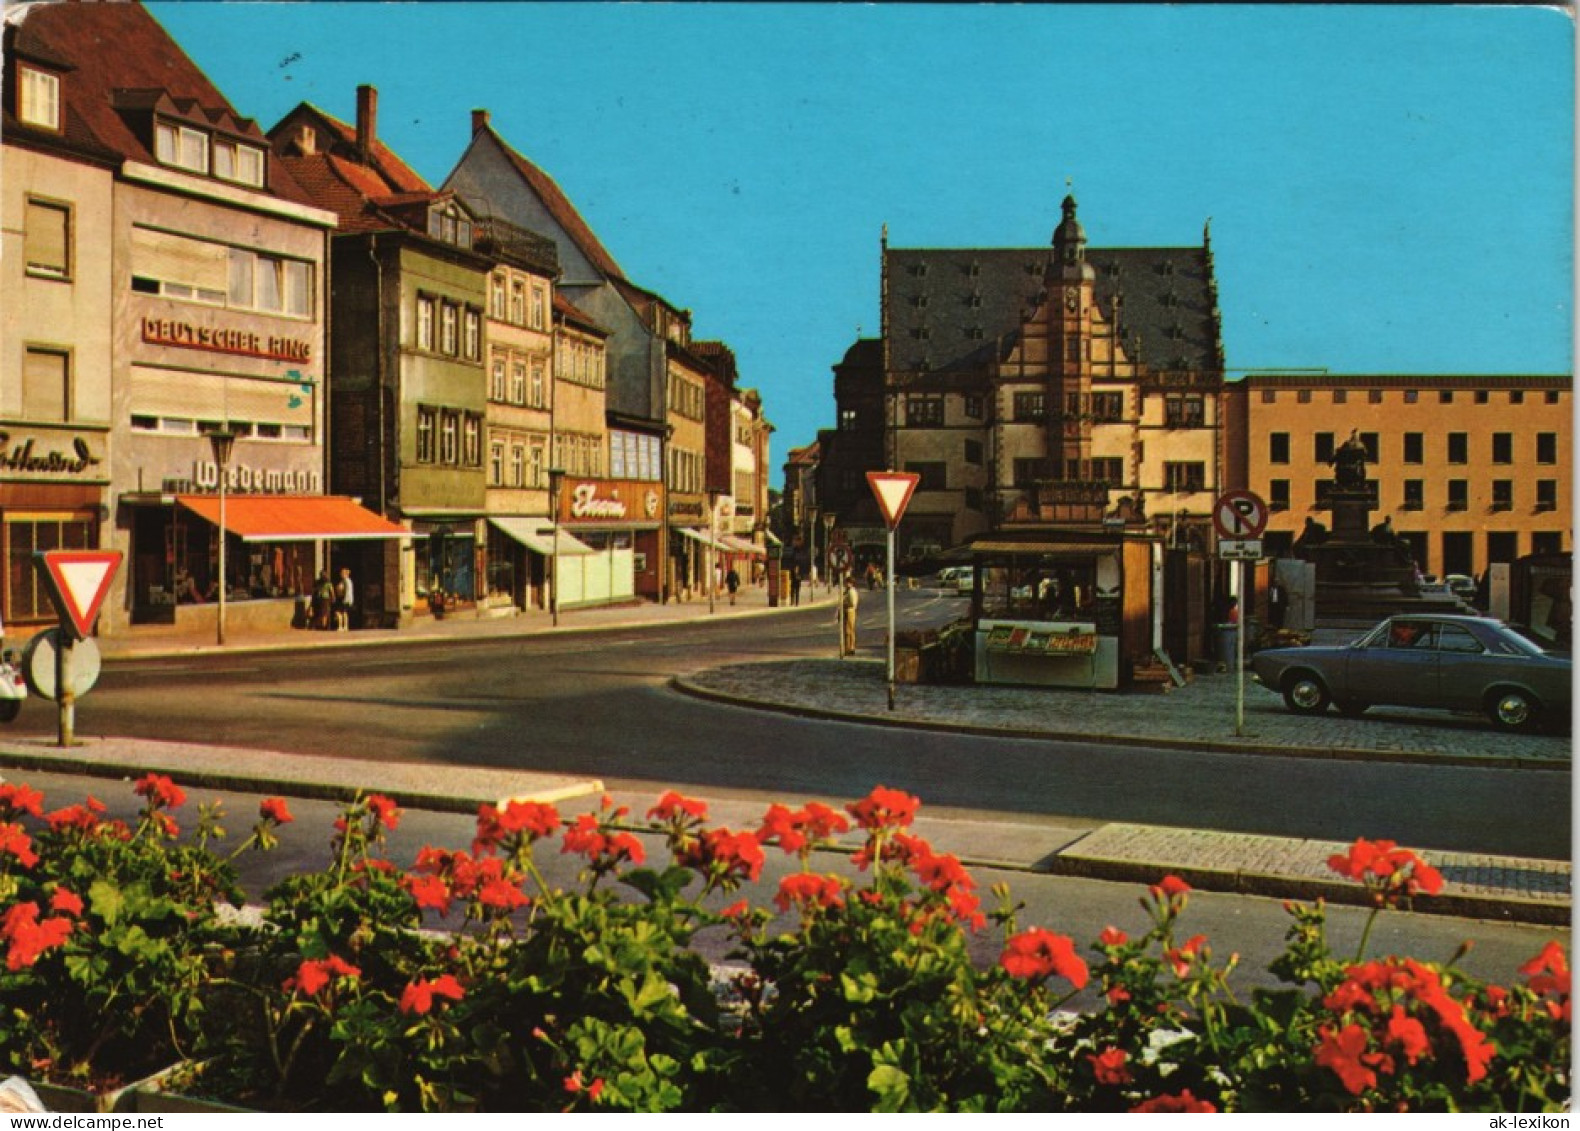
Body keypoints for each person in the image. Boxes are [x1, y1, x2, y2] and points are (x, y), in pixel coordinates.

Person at [839, 575, 859, 657]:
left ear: (850, 583)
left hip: (850, 612)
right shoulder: (848, 591)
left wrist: (845, 604)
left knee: (849, 631)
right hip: (848, 611)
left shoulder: (852, 591)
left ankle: (850, 648)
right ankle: (848, 648)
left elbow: (853, 604)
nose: (845, 584)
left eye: (846, 583)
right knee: (848, 631)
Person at [334, 566, 355, 631]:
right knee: (344, 613)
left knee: (338, 613)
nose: (340, 574)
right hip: (347, 599)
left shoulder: (345, 581)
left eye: (342, 573)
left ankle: (341, 626)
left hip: (344, 599)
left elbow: (346, 590)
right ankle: (345, 626)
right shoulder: (348, 581)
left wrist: (345, 599)